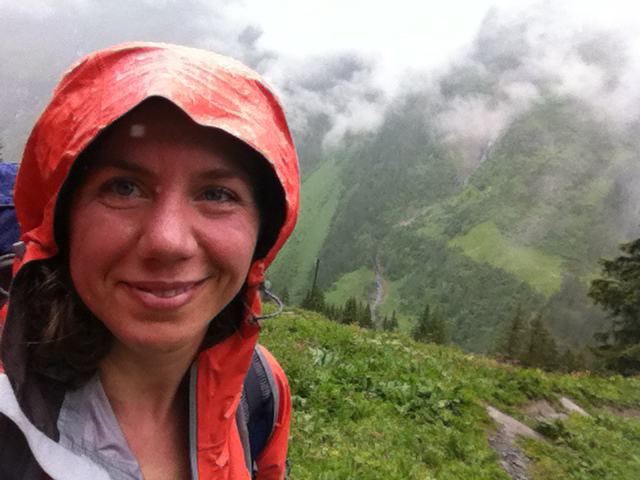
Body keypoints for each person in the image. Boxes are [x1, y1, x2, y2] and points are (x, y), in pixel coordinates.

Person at [0, 42, 299, 480]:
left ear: (262, 235)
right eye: (123, 188)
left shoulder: (260, 391)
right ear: (62, 220)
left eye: (217, 194)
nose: (167, 242)